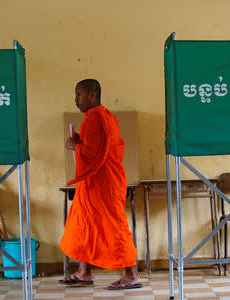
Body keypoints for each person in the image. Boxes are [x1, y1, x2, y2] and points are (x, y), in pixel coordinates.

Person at [59, 79, 142, 290]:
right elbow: (101, 148)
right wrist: (80, 141)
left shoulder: (95, 120)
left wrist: (73, 146)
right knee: (83, 223)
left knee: (113, 227)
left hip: (103, 184)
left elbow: (91, 154)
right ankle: (83, 272)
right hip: (97, 183)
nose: (76, 99)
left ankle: (132, 274)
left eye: (79, 95)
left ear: (92, 95)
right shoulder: (107, 117)